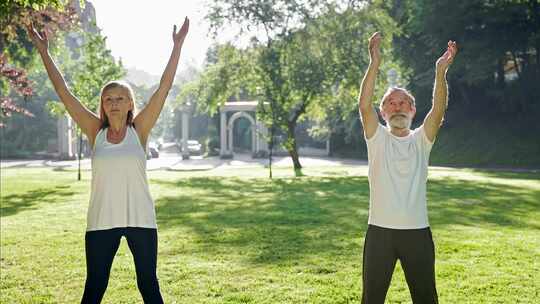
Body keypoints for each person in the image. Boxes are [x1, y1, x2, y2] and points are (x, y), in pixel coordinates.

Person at [28, 17, 190, 303]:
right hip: (102, 220)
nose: (113, 103)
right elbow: (64, 94)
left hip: (140, 219)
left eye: (120, 98)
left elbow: (163, 88)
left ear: (130, 104)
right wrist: (44, 51)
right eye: (108, 99)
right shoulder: (96, 132)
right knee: (94, 288)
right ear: (102, 105)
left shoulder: (139, 130)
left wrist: (177, 47)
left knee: (149, 286)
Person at [357, 32, 457, 304]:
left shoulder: (421, 140)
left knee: (426, 298)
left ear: (413, 111)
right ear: (383, 113)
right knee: (372, 299)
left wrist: (440, 72)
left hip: (418, 233)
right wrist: (374, 62)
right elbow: (363, 105)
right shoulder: (377, 139)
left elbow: (438, 109)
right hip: (379, 232)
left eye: (403, 103)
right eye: (391, 103)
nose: (397, 106)